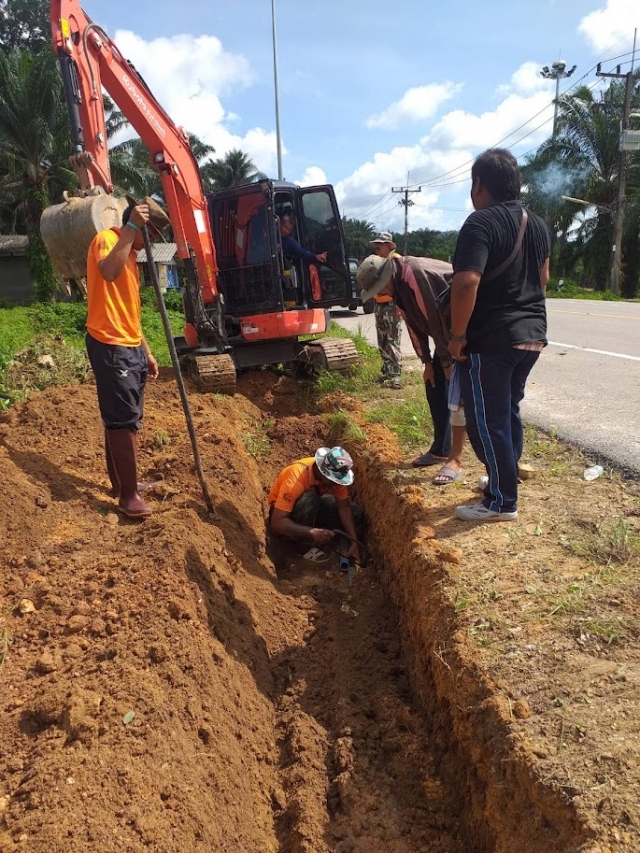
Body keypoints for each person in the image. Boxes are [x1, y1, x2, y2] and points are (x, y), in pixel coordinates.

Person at [448, 147, 549, 522]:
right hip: (532, 336)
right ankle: (502, 478)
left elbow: (465, 284)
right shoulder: (537, 224)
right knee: (507, 412)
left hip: (493, 339)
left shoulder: (480, 223)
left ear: (479, 184)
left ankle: (501, 501)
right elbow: (543, 281)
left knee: (487, 422)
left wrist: (458, 336)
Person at [85, 195, 170, 518]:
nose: (150, 245)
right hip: (109, 343)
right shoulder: (108, 240)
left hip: (129, 344)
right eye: (151, 236)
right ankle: (128, 496)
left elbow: (128, 310)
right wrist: (131, 228)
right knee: (122, 421)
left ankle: (122, 485)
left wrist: (145, 349)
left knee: (124, 418)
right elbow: (107, 273)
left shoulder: (130, 256)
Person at [356, 253, 467, 485]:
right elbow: (414, 325)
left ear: (386, 277)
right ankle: (441, 448)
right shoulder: (399, 288)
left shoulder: (412, 274)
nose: (380, 294)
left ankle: (460, 456)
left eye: (379, 288)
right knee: (433, 382)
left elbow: (434, 319)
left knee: (460, 391)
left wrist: (446, 361)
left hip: (461, 329)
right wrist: (428, 362)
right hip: (445, 335)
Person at [268, 447, 363, 563]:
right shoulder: (295, 479)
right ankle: (302, 546)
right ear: (322, 471)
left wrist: (354, 540)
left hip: (311, 507)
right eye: (333, 481)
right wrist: (311, 532)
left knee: (356, 513)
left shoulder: (336, 476)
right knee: (309, 499)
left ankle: (326, 534)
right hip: (284, 514)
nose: (336, 485)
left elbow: (344, 507)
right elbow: (277, 522)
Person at [369, 232, 403, 390]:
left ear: (389, 245)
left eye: (381, 243)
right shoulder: (376, 261)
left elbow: (401, 286)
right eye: (376, 243)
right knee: (382, 339)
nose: (377, 246)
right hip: (379, 304)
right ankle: (387, 372)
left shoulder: (395, 260)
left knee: (392, 339)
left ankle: (396, 375)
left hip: (392, 304)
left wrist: (400, 307)